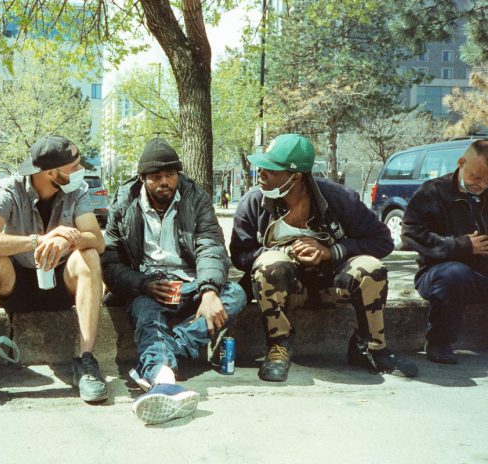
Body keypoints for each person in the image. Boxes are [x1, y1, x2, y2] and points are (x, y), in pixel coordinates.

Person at [230, 133, 417, 382]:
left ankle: (371, 347)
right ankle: (279, 346)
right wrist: (285, 253)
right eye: (261, 167)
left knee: (371, 267)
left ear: (295, 177)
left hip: (333, 284)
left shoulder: (340, 198)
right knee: (269, 263)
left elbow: (382, 240)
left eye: (270, 170)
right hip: (287, 288)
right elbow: (240, 255)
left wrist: (330, 251)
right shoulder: (253, 202)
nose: (261, 174)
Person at [0, 135, 107, 413]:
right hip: (19, 283)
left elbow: (97, 240)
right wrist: (39, 240)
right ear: (51, 173)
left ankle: (86, 360)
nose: (80, 170)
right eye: (74, 166)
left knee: (89, 257)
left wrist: (66, 240)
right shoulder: (10, 189)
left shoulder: (78, 190)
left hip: (61, 281)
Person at [102, 137, 247, 424]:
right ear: (143, 178)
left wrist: (208, 291)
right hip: (148, 284)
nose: (165, 182)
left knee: (235, 295)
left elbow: (211, 246)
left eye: (171, 175)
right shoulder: (123, 204)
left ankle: (158, 365)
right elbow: (110, 261)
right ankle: (165, 381)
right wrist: (142, 284)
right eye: (157, 177)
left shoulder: (196, 198)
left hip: (191, 282)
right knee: (145, 310)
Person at [402, 139, 488, 364]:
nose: (482, 184)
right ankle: (439, 342)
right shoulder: (434, 192)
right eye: (477, 177)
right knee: (454, 274)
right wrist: (460, 246)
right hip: (439, 274)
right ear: (461, 163)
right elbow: (411, 234)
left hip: (481, 276)